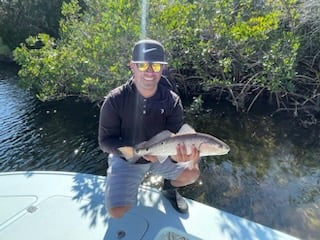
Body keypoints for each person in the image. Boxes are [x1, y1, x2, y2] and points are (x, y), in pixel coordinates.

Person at [98, 39, 200, 218]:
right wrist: (135, 151)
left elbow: (175, 139)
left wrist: (178, 158)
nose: (150, 72)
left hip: (161, 157)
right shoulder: (115, 100)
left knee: (192, 172)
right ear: (132, 66)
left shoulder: (172, 101)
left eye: (156, 66)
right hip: (127, 158)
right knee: (116, 212)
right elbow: (105, 142)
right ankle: (127, 184)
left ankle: (169, 191)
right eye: (143, 65)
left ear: (163, 68)